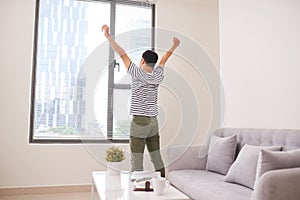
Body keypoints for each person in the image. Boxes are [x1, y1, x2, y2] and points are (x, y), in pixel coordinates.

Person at [102, 25, 180, 177]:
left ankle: (135, 192)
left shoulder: (136, 72)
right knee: (156, 158)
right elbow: (164, 58)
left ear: (142, 60)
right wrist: (175, 45)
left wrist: (108, 36)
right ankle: (162, 185)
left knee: (136, 160)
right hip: (153, 122)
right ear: (154, 64)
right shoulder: (158, 75)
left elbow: (122, 53)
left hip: (139, 121)